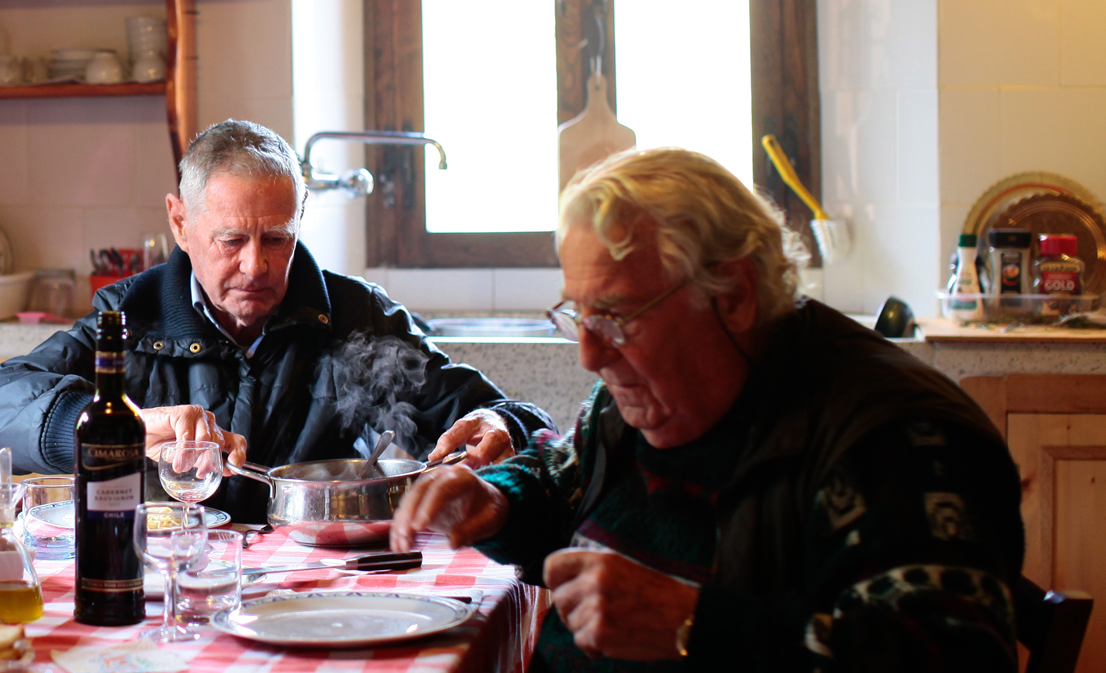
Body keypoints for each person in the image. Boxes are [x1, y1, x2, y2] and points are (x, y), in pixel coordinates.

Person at [391, 148, 1025, 671]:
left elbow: (952, 658)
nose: (589, 354)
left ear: (736, 296)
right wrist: (495, 499)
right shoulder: (633, 404)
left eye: (616, 316)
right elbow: (560, 481)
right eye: (580, 313)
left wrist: (694, 626)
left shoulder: (896, 440)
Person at [0, 119, 554, 521]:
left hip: (322, 587)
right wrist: (124, 428)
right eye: (231, 240)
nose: (256, 265)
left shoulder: (354, 317)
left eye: (277, 237)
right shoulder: (130, 317)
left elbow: (515, 418)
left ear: (300, 219)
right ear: (179, 223)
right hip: (175, 582)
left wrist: (504, 428)